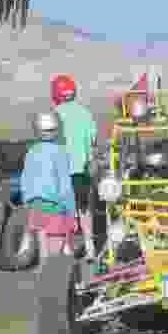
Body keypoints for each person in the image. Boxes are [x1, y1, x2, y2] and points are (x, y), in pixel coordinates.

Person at [51, 74, 100, 259]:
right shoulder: (85, 113)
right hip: (83, 169)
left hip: (63, 170)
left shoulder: (54, 115)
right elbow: (93, 142)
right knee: (85, 208)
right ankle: (90, 247)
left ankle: (68, 246)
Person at [22, 111, 78, 267]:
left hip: (35, 207)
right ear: (57, 129)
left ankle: (42, 283)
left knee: (43, 254)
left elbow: (25, 181)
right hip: (54, 207)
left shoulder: (31, 152)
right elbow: (65, 186)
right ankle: (50, 287)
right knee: (55, 255)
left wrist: (28, 203)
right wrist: (72, 214)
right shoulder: (61, 152)